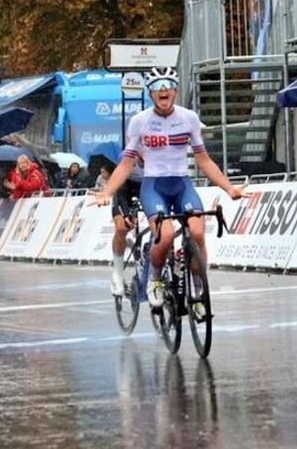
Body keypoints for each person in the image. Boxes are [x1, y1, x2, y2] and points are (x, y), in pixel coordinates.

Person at [94, 67, 244, 311]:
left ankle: (198, 291)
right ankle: (155, 279)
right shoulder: (139, 122)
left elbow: (204, 161)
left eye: (167, 86)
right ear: (150, 93)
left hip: (182, 184)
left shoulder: (188, 118)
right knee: (164, 238)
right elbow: (126, 164)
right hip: (154, 186)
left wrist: (229, 188)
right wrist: (107, 192)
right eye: (156, 87)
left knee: (197, 233)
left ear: (176, 90)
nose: (162, 91)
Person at [107, 158, 143, 296]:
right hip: (125, 191)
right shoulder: (129, 154)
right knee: (122, 227)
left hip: (147, 189)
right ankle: (117, 272)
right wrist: (126, 214)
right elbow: (120, 194)